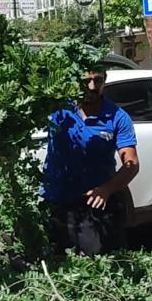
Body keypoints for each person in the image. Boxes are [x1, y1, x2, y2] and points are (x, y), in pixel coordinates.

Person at [41, 64, 139, 255]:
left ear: (105, 80)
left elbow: (132, 164)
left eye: (98, 80)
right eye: (86, 81)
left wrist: (106, 189)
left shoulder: (117, 117)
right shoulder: (58, 109)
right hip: (56, 202)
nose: (92, 86)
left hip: (94, 207)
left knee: (98, 269)